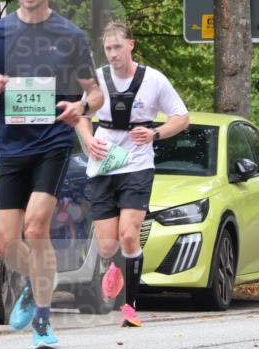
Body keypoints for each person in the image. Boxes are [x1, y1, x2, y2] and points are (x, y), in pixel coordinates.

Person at [0, 0, 103, 349]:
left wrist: (80, 107)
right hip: (13, 147)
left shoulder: (70, 36)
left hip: (53, 143)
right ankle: (37, 280)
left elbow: (96, 93)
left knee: (35, 228)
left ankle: (44, 320)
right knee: (5, 243)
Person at [75, 22, 190, 326]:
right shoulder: (97, 80)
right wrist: (89, 140)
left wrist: (156, 134)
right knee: (107, 244)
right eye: (107, 49)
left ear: (130, 45)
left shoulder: (154, 80)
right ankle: (112, 267)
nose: (112, 54)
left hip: (138, 164)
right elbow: (81, 117)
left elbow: (182, 117)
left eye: (117, 47)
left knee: (129, 235)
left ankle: (130, 307)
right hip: (104, 164)